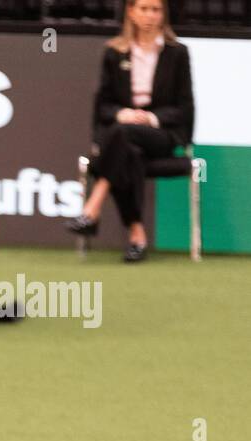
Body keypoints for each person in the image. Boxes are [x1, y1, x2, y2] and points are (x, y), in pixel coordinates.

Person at [66, 0, 194, 263]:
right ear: (131, 12)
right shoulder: (114, 52)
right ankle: (137, 235)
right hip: (123, 137)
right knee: (128, 152)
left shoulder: (177, 53)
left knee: (122, 136)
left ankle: (92, 208)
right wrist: (121, 114)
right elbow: (102, 105)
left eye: (156, 9)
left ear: (163, 14)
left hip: (161, 134)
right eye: (144, 9)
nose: (150, 15)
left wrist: (151, 118)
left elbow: (184, 107)